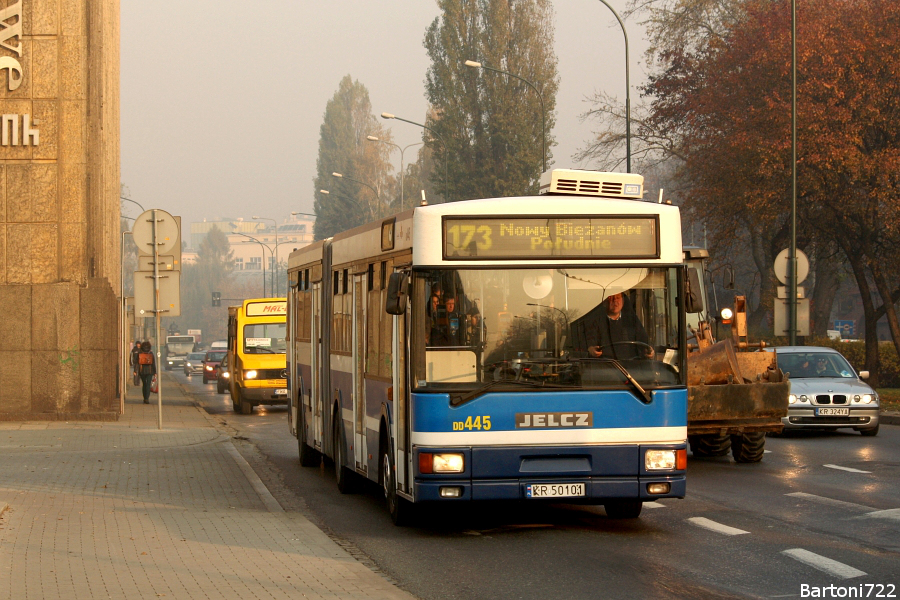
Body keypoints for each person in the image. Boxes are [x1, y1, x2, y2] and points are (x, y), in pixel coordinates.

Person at [586, 292, 653, 360]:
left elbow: (644, 342)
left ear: (623, 301)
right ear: (604, 302)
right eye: (611, 298)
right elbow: (589, 344)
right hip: (604, 366)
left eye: (618, 298)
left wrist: (649, 351)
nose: (615, 300)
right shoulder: (595, 322)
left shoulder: (631, 321)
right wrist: (591, 349)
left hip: (630, 366)